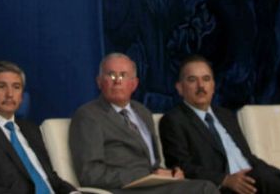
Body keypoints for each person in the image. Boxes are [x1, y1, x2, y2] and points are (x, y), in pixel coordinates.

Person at [69, 53, 219, 194]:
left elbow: (152, 164)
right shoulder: (88, 115)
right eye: (111, 74)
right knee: (205, 189)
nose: (117, 81)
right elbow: (90, 174)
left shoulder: (143, 112)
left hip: (152, 186)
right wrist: (145, 175)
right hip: (123, 189)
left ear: (134, 84)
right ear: (99, 82)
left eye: (123, 75)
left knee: (202, 185)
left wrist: (170, 173)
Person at [159, 55, 280, 194]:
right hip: (223, 187)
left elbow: (249, 158)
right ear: (179, 88)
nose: (201, 86)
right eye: (192, 80)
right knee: (266, 178)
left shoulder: (226, 116)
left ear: (213, 85)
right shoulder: (173, 120)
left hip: (255, 181)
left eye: (206, 79)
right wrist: (225, 180)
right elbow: (181, 167)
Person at [0, 60, 79, 194]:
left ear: (22, 96)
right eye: (1, 86)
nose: (10, 94)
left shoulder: (31, 129)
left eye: (16, 87)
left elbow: (49, 177)